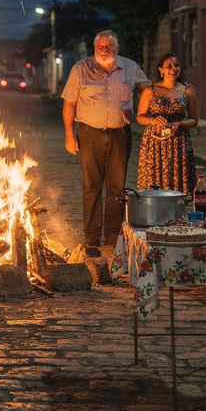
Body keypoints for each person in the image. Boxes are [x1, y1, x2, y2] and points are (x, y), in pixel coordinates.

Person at [62, 30, 150, 248]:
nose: (104, 50)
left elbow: (148, 90)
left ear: (117, 48)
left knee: (117, 187)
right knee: (91, 186)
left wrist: (174, 89)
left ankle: (112, 233)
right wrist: (69, 135)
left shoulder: (130, 67)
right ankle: (91, 234)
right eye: (100, 46)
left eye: (109, 46)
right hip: (89, 134)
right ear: (94, 48)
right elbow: (69, 103)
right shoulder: (80, 69)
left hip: (120, 134)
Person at [135, 53, 198, 193]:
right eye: (169, 66)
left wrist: (180, 124)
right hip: (154, 144)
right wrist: (153, 120)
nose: (173, 69)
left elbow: (194, 120)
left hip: (179, 143)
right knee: (154, 181)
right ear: (161, 69)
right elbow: (140, 117)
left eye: (176, 65)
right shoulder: (150, 90)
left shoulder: (187, 92)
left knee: (178, 182)